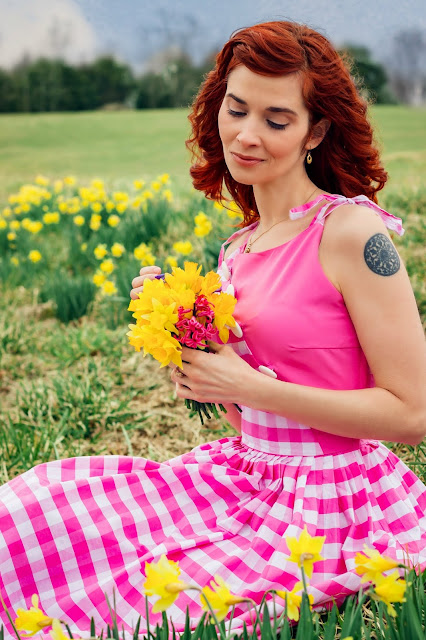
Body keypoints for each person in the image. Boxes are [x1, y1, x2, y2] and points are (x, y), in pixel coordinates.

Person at [1, 20, 425, 639]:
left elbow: (412, 413)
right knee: (28, 511)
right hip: (246, 472)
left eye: (277, 120)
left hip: (332, 502)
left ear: (318, 130)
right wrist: (191, 348)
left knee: (152, 600)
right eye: (236, 108)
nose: (246, 135)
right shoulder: (240, 249)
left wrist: (251, 386)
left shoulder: (352, 234)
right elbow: (249, 419)